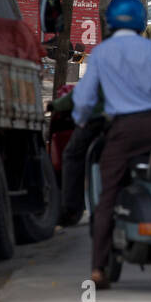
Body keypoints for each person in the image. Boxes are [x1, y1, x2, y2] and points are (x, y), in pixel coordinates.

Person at [70, 0, 151, 290]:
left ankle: (98, 269)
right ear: (139, 20)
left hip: (122, 133)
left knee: (107, 195)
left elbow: (84, 99)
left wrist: (81, 119)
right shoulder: (150, 48)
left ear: (110, 20)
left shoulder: (101, 53)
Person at [52, 83, 105, 226]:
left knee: (72, 155)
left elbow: (81, 92)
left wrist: (55, 105)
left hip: (100, 120)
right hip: (136, 120)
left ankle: (71, 210)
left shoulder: (104, 63)